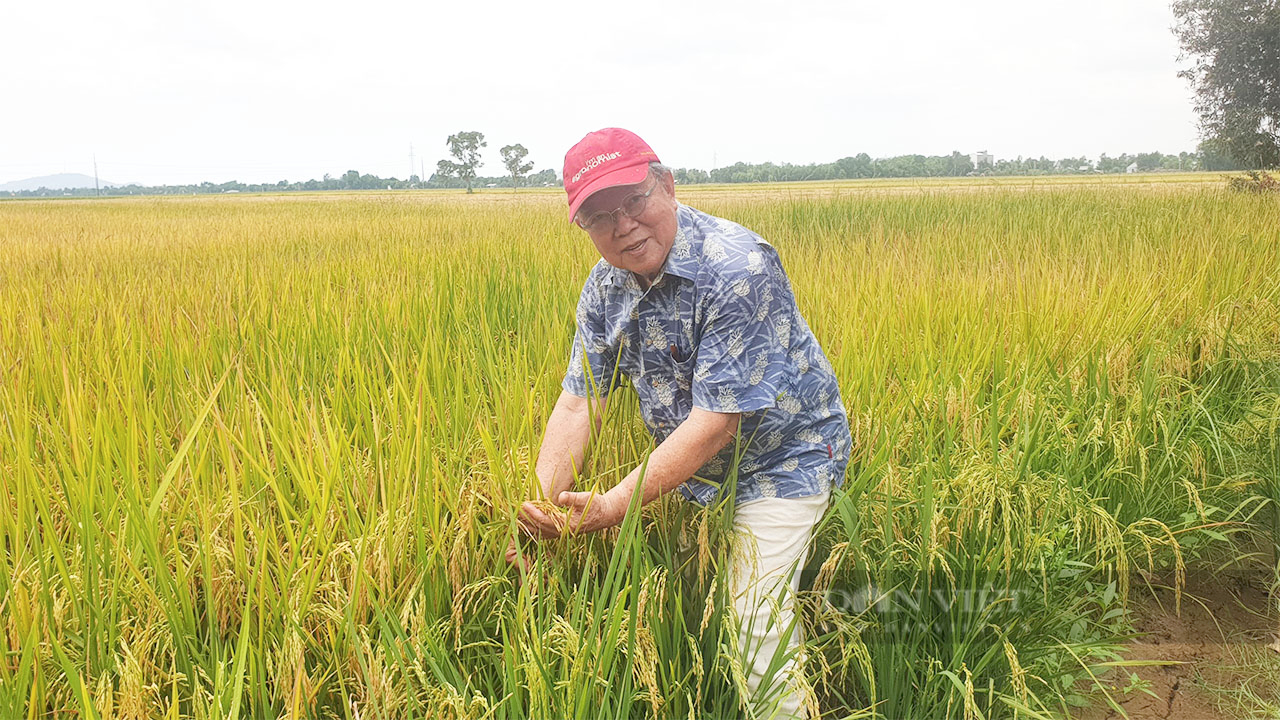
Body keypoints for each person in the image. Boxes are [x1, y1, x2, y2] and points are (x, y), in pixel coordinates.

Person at [507, 127, 852, 719]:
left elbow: (716, 422)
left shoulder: (738, 267)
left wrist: (615, 503)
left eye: (634, 201)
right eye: (598, 216)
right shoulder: (605, 288)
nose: (622, 226)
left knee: (752, 618)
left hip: (785, 458)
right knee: (698, 599)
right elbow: (578, 402)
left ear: (667, 185)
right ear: (582, 227)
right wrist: (543, 510)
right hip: (697, 472)